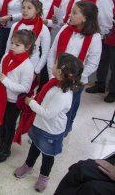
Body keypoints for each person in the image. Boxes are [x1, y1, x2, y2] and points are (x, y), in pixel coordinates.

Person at [14, 53, 83, 192]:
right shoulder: (54, 83)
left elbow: (48, 114)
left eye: (56, 63)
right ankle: (28, 165)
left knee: (47, 155)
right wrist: (37, 98)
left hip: (51, 130)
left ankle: (44, 176)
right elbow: (45, 99)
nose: (53, 64)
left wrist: (31, 102)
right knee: (34, 146)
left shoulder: (63, 95)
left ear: (60, 71)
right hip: (39, 124)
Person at [47, 1, 102, 136]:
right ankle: (47, 129)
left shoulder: (94, 37)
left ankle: (62, 131)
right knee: (51, 104)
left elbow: (92, 63)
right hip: (56, 75)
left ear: (85, 18)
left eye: (74, 13)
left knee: (68, 108)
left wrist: (73, 77)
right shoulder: (65, 29)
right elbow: (53, 53)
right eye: (71, 11)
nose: (69, 15)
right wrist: (52, 74)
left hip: (75, 82)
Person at [0, 29, 35, 163]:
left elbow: (24, 88)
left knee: (9, 125)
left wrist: (5, 80)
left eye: (17, 45)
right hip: (1, 97)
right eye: (12, 43)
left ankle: (6, 149)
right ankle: (0, 144)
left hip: (14, 101)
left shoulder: (27, 66)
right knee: (1, 122)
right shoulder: (6, 56)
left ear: (27, 47)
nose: (13, 47)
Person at [5, 0, 51, 83]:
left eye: (29, 8)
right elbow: (8, 45)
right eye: (23, 7)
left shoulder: (43, 29)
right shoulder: (15, 25)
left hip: (31, 65)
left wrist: (36, 71)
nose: (25, 10)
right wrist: (6, 61)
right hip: (13, 63)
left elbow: (45, 53)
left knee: (23, 92)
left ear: (37, 10)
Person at [0, 0, 31, 69]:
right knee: (0, 49)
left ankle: (7, 69)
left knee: (11, 49)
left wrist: (11, 17)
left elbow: (26, 12)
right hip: (2, 24)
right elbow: (0, 3)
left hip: (14, 26)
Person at [91, 0, 115, 103]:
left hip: (114, 39)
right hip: (104, 37)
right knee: (102, 62)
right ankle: (100, 84)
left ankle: (112, 91)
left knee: (114, 66)